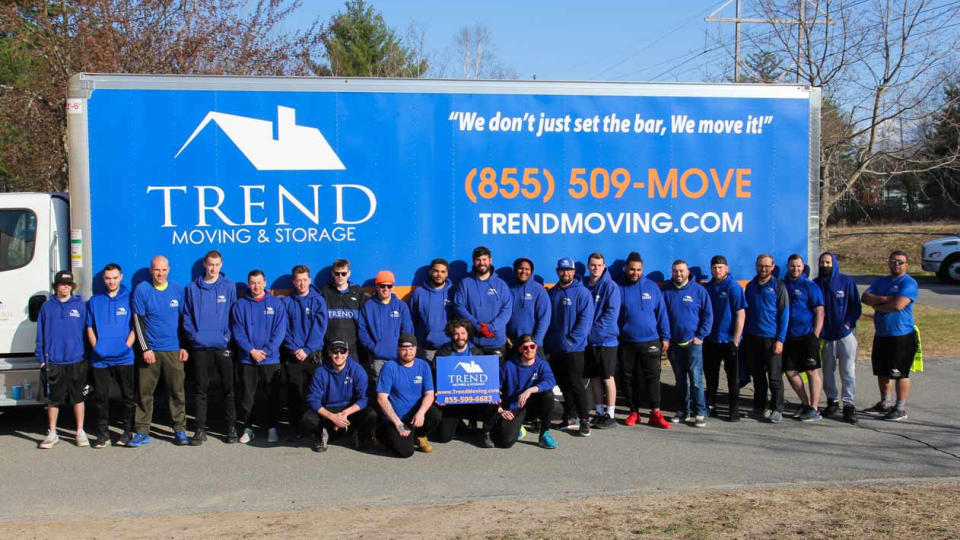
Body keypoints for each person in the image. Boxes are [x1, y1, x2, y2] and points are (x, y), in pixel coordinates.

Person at [131, 255, 189, 447]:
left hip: (173, 350)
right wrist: (145, 348)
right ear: (151, 270)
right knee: (145, 393)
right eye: (157, 269)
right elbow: (138, 321)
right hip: (151, 351)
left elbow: (184, 321)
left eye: (164, 269)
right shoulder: (142, 290)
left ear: (169, 270)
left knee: (177, 392)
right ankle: (141, 431)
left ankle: (180, 429)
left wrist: (184, 346)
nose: (160, 273)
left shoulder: (178, 290)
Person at [182, 250, 237, 445]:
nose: (213, 268)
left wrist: (226, 338)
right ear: (205, 265)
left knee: (228, 389)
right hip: (200, 347)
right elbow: (186, 317)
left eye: (216, 265)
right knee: (200, 389)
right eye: (210, 265)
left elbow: (234, 316)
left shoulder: (229, 287)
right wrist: (195, 337)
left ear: (221, 265)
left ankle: (231, 428)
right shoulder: (192, 289)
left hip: (222, 346)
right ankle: (200, 430)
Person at [861, 250, 918, 421]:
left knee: (900, 373)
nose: (896, 264)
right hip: (882, 334)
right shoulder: (881, 281)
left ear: (906, 265)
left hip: (901, 335)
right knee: (882, 371)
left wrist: (878, 304)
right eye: (893, 261)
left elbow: (899, 305)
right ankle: (885, 403)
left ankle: (900, 408)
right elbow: (865, 297)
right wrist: (887, 299)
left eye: (900, 262)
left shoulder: (909, 283)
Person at [231, 270, 287, 444]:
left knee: (272, 395)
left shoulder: (276, 304)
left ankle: (272, 428)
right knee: (248, 396)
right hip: (248, 359)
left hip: (270, 359)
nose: (256, 286)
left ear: (265, 283)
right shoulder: (240, 305)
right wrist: (251, 350)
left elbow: (280, 331)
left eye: (259, 282)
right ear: (248, 284)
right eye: (253, 283)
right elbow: (237, 331)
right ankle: (248, 428)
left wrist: (267, 351)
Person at [617, 252, 672, 429]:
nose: (635, 273)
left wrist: (665, 336)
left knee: (652, 378)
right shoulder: (619, 288)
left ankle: (655, 412)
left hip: (650, 341)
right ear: (626, 269)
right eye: (632, 269)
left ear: (642, 270)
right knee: (628, 378)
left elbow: (662, 313)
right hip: (627, 342)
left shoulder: (652, 287)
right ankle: (634, 412)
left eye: (639, 270)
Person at [36, 271, 88, 449]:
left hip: (76, 359)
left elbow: (86, 333)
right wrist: (41, 359)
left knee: (78, 398)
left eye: (68, 284)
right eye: (61, 284)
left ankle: (80, 431)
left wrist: (85, 357)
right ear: (56, 286)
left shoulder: (80, 306)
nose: (65, 287)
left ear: (71, 286)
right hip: (54, 360)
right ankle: (52, 432)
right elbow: (40, 334)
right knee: (53, 400)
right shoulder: (47, 308)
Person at [86, 264, 136, 448]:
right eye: (108, 278)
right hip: (100, 359)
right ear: (103, 279)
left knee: (128, 396)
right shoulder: (95, 301)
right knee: (101, 397)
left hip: (124, 357)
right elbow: (89, 326)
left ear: (121, 277)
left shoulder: (130, 299)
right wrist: (96, 348)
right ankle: (102, 434)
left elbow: (135, 326)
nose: (111, 281)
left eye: (115, 277)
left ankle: (127, 431)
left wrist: (126, 346)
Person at [544, 257, 595, 436]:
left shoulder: (582, 293)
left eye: (568, 270)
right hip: (555, 348)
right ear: (557, 271)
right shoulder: (553, 292)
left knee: (576, 385)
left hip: (574, 349)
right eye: (562, 270)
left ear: (574, 272)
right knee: (563, 385)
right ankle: (570, 416)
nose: (565, 273)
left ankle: (584, 420)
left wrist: (571, 341)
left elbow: (585, 322)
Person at [661, 260, 713, 428]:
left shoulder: (699, 291)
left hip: (693, 343)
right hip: (675, 344)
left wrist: (700, 336)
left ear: (687, 271)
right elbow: (663, 317)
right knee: (680, 380)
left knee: (696, 380)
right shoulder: (667, 292)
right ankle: (683, 410)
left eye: (681, 271)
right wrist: (666, 338)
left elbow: (708, 315)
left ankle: (700, 412)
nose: (678, 274)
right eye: (675, 271)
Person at [299, 340, 376, 453]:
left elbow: (364, 399)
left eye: (342, 351)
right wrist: (333, 417)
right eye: (335, 352)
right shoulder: (321, 372)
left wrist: (345, 413)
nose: (339, 355)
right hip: (329, 409)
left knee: (371, 415)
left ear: (347, 353)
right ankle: (320, 434)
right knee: (307, 418)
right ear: (329, 353)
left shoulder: (357, 370)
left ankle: (360, 435)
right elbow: (313, 400)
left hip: (349, 409)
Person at [281, 264, 328, 439]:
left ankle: (315, 428)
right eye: (298, 280)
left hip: (312, 355)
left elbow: (320, 328)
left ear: (309, 280)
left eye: (304, 280)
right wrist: (295, 349)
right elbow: (284, 329)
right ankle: (296, 429)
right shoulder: (287, 302)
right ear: (294, 282)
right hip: (294, 355)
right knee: (294, 393)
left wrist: (307, 349)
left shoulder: (318, 300)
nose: (301, 284)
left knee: (313, 392)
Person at [375, 334, 441, 457]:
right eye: (404, 349)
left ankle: (419, 436)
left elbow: (429, 394)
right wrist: (398, 423)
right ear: (398, 349)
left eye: (411, 348)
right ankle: (381, 434)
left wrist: (421, 413)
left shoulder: (423, 365)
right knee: (406, 452)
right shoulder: (389, 367)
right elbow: (381, 399)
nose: (408, 352)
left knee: (435, 414)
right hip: (396, 417)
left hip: (414, 415)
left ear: (416, 349)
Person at [433, 318, 496, 447]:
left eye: (463, 333)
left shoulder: (477, 353)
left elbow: (487, 380)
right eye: (456, 334)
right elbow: (435, 378)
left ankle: (486, 432)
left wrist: (493, 392)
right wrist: (437, 394)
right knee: (444, 437)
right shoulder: (443, 353)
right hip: (451, 402)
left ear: (468, 334)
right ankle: (460, 424)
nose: (460, 337)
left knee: (494, 399)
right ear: (451, 334)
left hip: (473, 400)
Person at [742, 254, 789, 424]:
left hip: (772, 339)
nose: (764, 269)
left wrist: (780, 340)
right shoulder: (751, 286)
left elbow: (784, 314)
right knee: (758, 376)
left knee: (775, 377)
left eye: (767, 266)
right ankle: (759, 407)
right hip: (753, 338)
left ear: (773, 266)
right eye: (761, 266)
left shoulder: (778, 286)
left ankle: (777, 408)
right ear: (756, 266)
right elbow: (746, 313)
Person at [815, 252, 861, 424]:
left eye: (828, 262)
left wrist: (848, 324)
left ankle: (849, 405)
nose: (824, 265)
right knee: (827, 371)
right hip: (826, 337)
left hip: (845, 335)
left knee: (848, 371)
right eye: (822, 262)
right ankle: (832, 401)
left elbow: (856, 306)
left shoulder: (846, 282)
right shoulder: (816, 284)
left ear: (834, 263)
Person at [491, 335, 559, 449]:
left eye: (532, 346)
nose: (529, 350)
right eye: (525, 347)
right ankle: (518, 427)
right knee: (505, 442)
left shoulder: (542, 364)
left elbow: (550, 381)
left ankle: (544, 434)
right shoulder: (509, 366)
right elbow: (494, 387)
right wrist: (499, 408)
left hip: (532, 407)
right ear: (520, 349)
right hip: (514, 407)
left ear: (536, 347)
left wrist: (530, 390)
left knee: (548, 395)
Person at [703, 255, 746, 422]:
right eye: (714, 267)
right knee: (711, 376)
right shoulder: (708, 288)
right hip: (711, 340)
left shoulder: (733, 287)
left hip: (729, 340)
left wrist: (736, 340)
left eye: (720, 267)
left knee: (732, 378)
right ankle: (710, 405)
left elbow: (740, 314)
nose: (717, 270)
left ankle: (733, 409)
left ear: (726, 269)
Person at [782, 254, 825, 422]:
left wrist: (815, 334)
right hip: (789, 336)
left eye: (798, 266)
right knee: (791, 371)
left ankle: (814, 408)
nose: (796, 269)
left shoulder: (810, 286)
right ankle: (805, 404)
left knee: (812, 371)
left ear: (803, 267)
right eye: (793, 266)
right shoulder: (783, 285)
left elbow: (819, 311)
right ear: (788, 266)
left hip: (807, 336)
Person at [453, 246, 513, 358]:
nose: (482, 263)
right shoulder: (465, 283)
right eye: (478, 260)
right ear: (473, 261)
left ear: (490, 260)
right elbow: (458, 306)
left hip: (496, 342)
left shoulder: (501, 284)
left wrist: (490, 327)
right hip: (473, 342)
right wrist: (477, 325)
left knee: (497, 375)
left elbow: (507, 310)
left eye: (484, 259)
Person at [584, 253, 621, 429]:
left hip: (605, 340)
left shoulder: (610, 286)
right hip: (589, 342)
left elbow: (610, 315)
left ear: (604, 266)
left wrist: (589, 332)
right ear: (588, 266)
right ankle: (599, 412)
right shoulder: (585, 285)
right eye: (593, 265)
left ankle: (610, 414)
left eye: (599, 265)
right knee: (595, 378)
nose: (595, 268)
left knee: (607, 377)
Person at [358, 270, 414, 383]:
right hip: (377, 358)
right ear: (377, 286)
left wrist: (403, 351)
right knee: (379, 390)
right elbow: (362, 330)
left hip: (399, 357)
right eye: (382, 286)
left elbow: (407, 331)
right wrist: (374, 348)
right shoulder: (368, 306)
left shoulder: (401, 306)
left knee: (399, 387)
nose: (386, 289)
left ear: (393, 287)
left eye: (389, 286)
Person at [320, 259, 370, 358]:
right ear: (332, 274)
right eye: (337, 273)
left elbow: (366, 319)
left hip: (353, 349)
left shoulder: (358, 292)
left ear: (349, 273)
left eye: (343, 273)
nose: (340, 276)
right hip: (331, 348)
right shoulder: (325, 292)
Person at [409, 258, 454, 364]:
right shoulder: (419, 293)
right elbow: (412, 319)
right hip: (425, 348)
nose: (439, 274)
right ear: (430, 272)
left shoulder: (453, 292)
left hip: (448, 347)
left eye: (443, 272)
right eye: (436, 271)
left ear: (447, 274)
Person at [506, 257, 550, 348]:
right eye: (520, 268)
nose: (523, 271)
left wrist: (535, 342)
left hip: (531, 345)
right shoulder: (508, 289)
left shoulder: (538, 290)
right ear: (515, 270)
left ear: (531, 271)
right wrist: (504, 337)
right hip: (511, 343)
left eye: (527, 269)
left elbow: (544, 318)